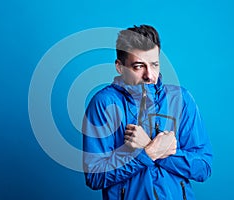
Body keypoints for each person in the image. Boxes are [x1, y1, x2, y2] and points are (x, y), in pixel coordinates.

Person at [82, 24, 212, 200]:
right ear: (120, 67)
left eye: (154, 64)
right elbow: (95, 176)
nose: (149, 75)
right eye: (138, 66)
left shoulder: (181, 99)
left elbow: (203, 168)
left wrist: (153, 148)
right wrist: (147, 154)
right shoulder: (103, 104)